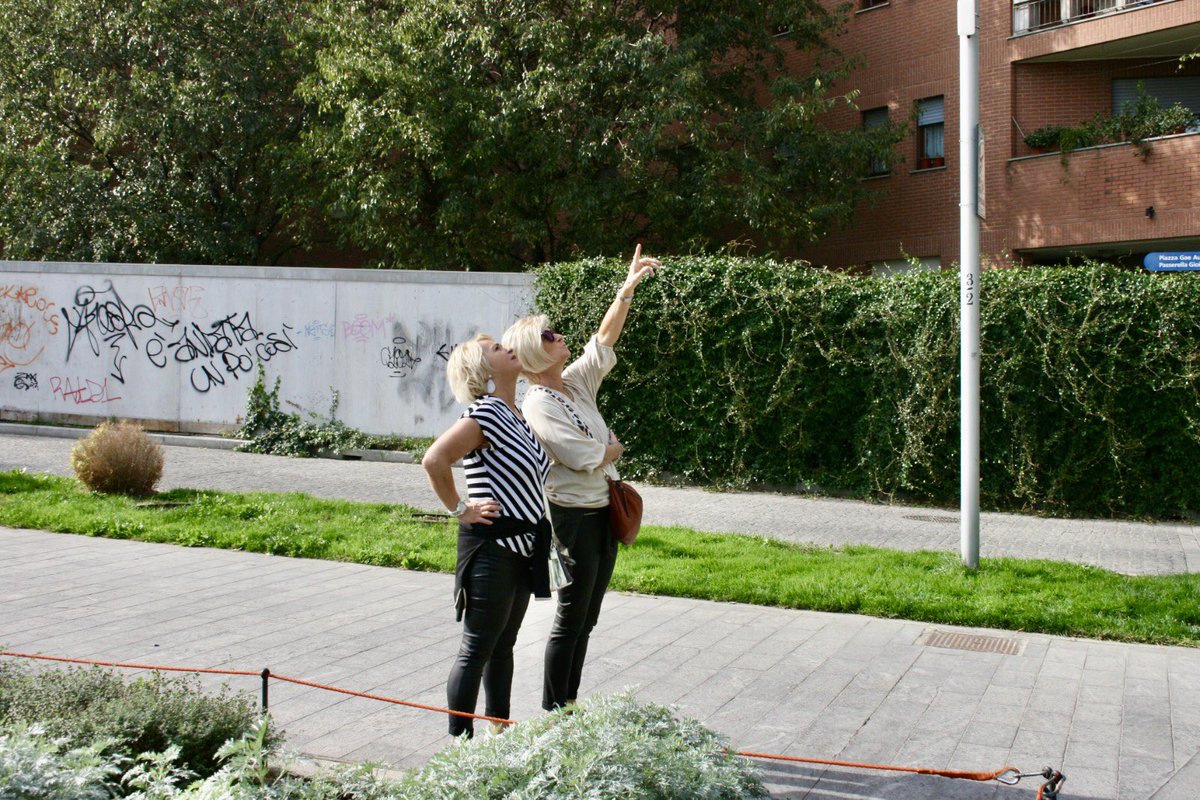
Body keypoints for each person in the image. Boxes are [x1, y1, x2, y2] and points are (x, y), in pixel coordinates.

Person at [501, 244, 659, 712]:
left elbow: (603, 342)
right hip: (573, 517)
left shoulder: (571, 383)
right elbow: (582, 454)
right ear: (534, 349)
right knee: (572, 617)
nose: (560, 334)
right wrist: (610, 448)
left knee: (587, 618)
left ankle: (568, 703)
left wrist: (626, 290)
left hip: (601, 511)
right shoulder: (538, 402)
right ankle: (556, 712)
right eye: (549, 333)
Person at [421, 333, 551, 738]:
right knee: (477, 648)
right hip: (492, 548)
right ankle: (460, 745)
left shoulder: (515, 413)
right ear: (482, 370)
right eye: (495, 349)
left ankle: (500, 731)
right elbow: (435, 459)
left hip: (523, 547)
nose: (506, 347)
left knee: (503, 645)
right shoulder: (486, 412)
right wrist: (460, 509)